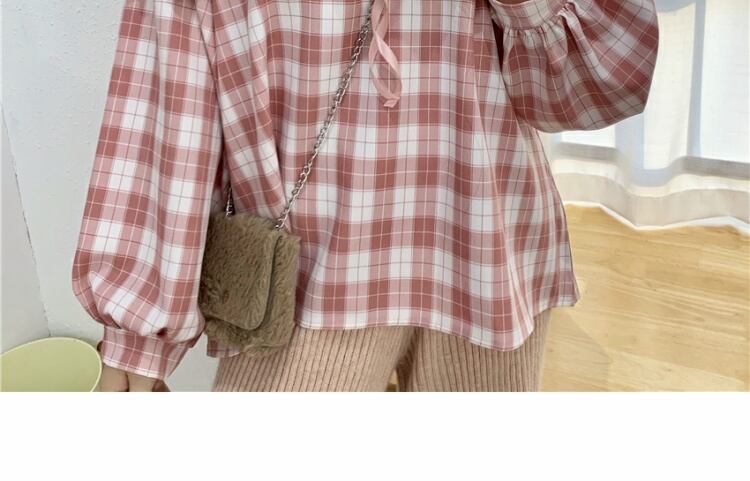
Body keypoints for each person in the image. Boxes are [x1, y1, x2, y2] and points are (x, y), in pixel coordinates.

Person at [71, 0, 659, 392]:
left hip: (482, 245)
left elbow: (597, 83)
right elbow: (167, 89)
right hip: (305, 277)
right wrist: (137, 332)